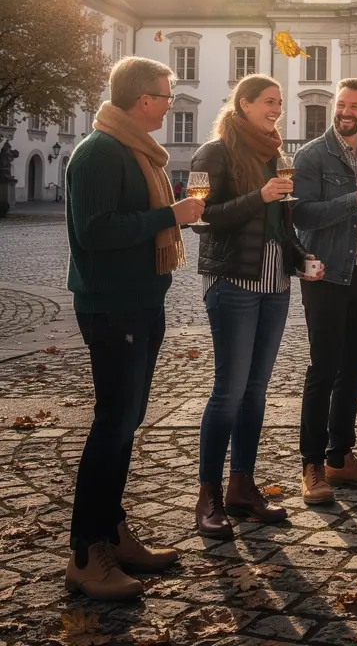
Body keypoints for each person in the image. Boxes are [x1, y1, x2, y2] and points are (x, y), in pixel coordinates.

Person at [64, 57, 205, 600]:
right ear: (142, 99)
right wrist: (173, 216)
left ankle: (112, 529)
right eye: (167, 96)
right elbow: (96, 232)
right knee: (112, 425)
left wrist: (171, 213)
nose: (172, 103)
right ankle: (84, 551)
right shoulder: (99, 152)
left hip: (143, 299)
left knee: (127, 422)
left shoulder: (136, 151)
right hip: (112, 304)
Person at [191, 75, 324, 538]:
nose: (277, 109)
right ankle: (207, 495)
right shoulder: (214, 152)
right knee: (228, 390)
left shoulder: (275, 154)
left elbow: (278, 225)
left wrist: (300, 258)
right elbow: (202, 218)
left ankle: (241, 487)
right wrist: (258, 196)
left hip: (274, 284)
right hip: (232, 281)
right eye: (269, 102)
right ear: (243, 104)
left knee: (256, 390)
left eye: (279, 102)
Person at [293, 78, 357, 503]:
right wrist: (355, 199)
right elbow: (301, 215)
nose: (345, 111)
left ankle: (340, 456)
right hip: (326, 275)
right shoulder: (312, 155)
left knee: (354, 369)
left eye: (355, 106)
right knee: (323, 370)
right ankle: (312, 465)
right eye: (341, 104)